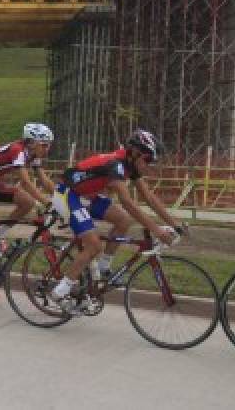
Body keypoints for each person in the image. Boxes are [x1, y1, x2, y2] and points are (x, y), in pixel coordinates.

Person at [48, 129, 181, 309]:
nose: (149, 165)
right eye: (148, 159)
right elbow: (128, 202)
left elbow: (148, 197)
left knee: (124, 220)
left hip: (87, 196)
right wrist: (156, 230)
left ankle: (104, 268)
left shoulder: (130, 165)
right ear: (134, 153)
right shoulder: (115, 165)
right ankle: (58, 293)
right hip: (67, 195)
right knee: (94, 245)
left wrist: (174, 224)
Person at [0, 123, 57, 299]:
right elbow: (27, 183)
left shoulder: (32, 153)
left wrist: (61, 199)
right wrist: (45, 202)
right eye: (44, 145)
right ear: (32, 142)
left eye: (49, 145)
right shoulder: (17, 150)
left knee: (27, 203)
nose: (47, 149)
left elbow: (43, 180)